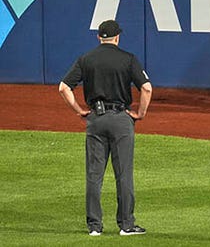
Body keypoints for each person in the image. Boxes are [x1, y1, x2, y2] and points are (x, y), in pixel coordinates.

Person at [58, 19, 152, 237]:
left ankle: (94, 226)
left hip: (96, 120)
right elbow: (146, 89)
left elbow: (63, 88)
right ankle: (126, 225)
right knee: (124, 175)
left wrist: (79, 110)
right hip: (121, 119)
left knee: (94, 175)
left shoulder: (86, 59)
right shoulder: (128, 59)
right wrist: (140, 114)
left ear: (99, 37)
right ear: (117, 37)